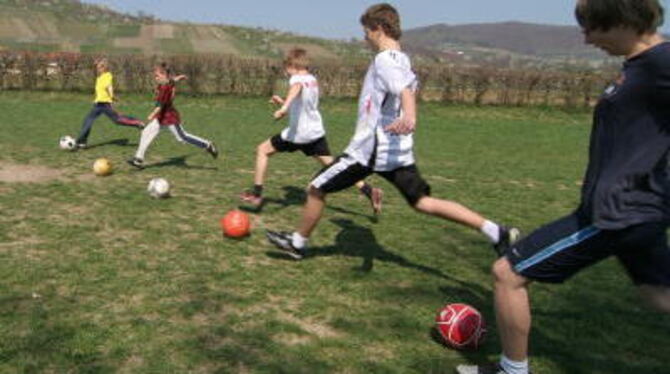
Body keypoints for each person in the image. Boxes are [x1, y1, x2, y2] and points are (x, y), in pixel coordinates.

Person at [456, 1, 670, 373]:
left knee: (508, 273)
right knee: (659, 294)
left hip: (616, 213)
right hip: (636, 209)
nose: (586, 39)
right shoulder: (640, 66)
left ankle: (512, 370)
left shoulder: (661, 63)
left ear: (621, 21)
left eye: (591, 28)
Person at [266, 3, 518, 260]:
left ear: (379, 29)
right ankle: (496, 231)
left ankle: (297, 243)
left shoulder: (385, 59)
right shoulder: (403, 59)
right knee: (422, 202)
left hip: (371, 149)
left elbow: (403, 91)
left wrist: (410, 115)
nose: (364, 37)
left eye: (366, 31)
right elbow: (405, 88)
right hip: (397, 150)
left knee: (316, 187)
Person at [240, 48, 383, 212]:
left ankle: (256, 194)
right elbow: (302, 105)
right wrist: (283, 102)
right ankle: (369, 191)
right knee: (335, 167)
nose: (286, 72)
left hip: (298, 135)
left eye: (287, 67)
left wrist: (284, 107)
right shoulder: (312, 79)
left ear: (293, 65)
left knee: (262, 150)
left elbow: (297, 88)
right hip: (315, 133)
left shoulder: (297, 78)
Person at [127, 63, 218, 169]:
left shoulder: (165, 88)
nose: (155, 78)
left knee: (182, 137)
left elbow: (160, 106)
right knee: (146, 132)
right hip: (161, 117)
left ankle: (208, 145)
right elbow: (172, 80)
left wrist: (152, 115)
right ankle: (138, 159)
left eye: (157, 76)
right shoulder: (167, 82)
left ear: (164, 75)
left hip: (169, 117)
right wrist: (179, 78)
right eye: (155, 76)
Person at [75, 58, 145, 148]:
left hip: (105, 104)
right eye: (97, 67)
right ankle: (81, 142)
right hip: (97, 105)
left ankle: (138, 123)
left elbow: (109, 86)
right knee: (87, 120)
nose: (97, 69)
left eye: (99, 67)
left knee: (117, 120)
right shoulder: (98, 78)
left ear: (104, 68)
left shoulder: (108, 75)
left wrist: (112, 96)